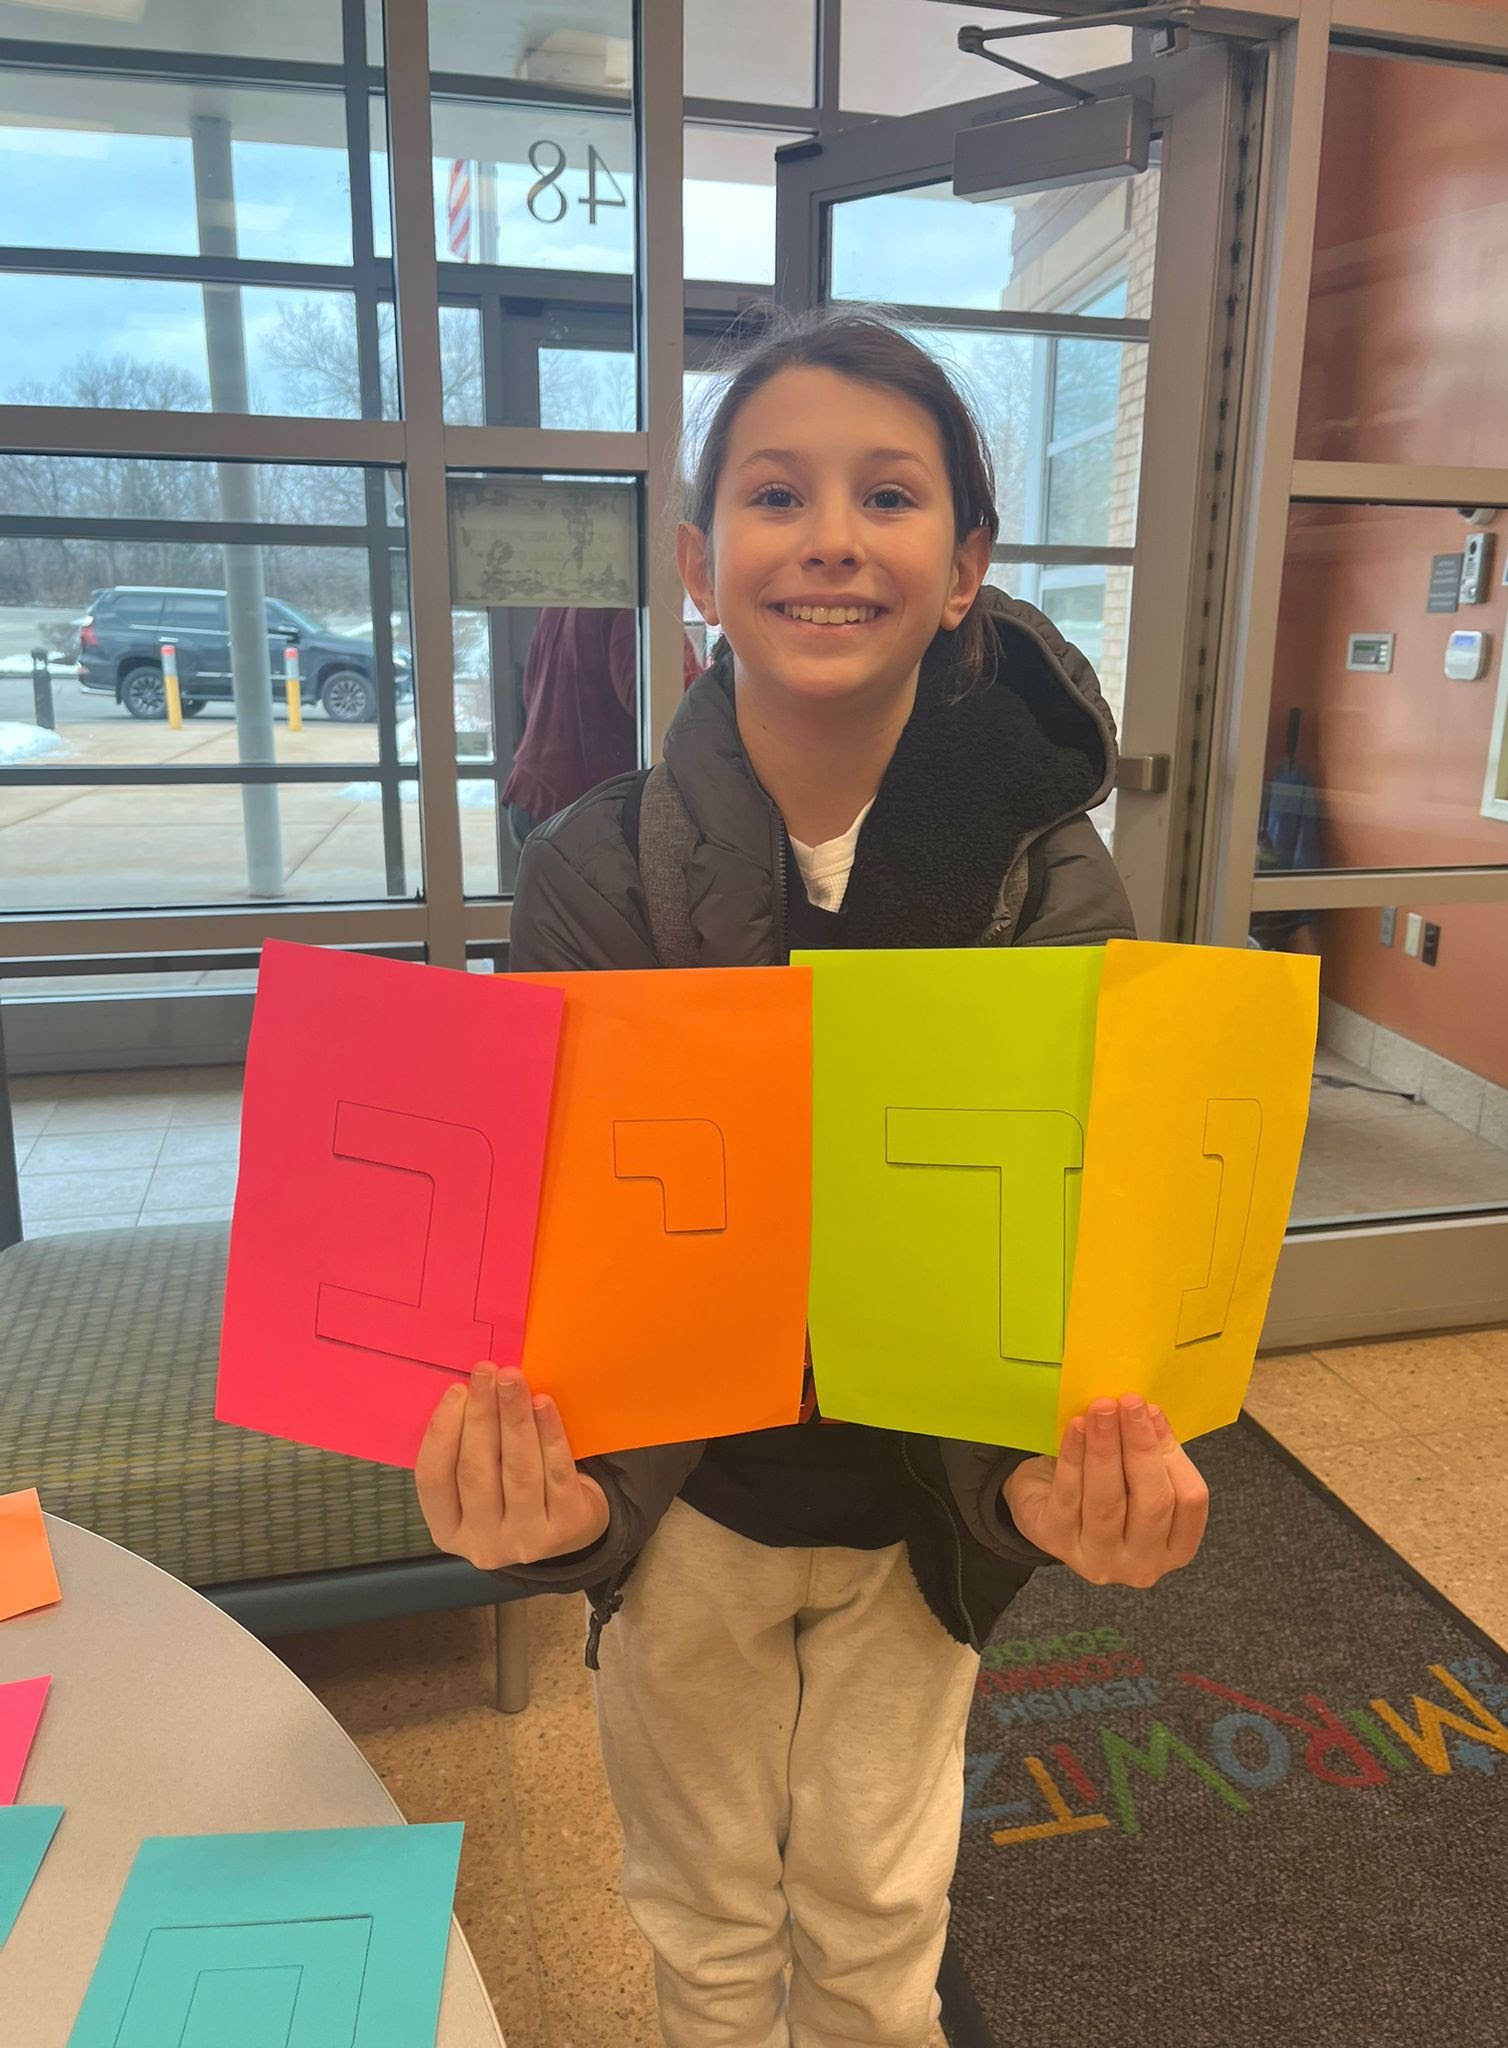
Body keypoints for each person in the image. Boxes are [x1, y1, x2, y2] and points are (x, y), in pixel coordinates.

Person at [416, 305, 1211, 2048]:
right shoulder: (595, 870)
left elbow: (1073, 1234)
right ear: (701, 563)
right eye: (777, 494)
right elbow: (559, 1253)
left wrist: (1066, 1479)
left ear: (966, 567)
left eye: (889, 495)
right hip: (690, 1510)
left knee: (878, 1917)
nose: (833, 536)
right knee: (703, 1927)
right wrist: (559, 1503)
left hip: (917, 1510)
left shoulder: (1051, 881)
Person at [500, 604, 703, 872]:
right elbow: (670, 709)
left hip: (532, 793)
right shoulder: (636, 600)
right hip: (580, 812)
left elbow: (530, 689)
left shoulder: (562, 601)